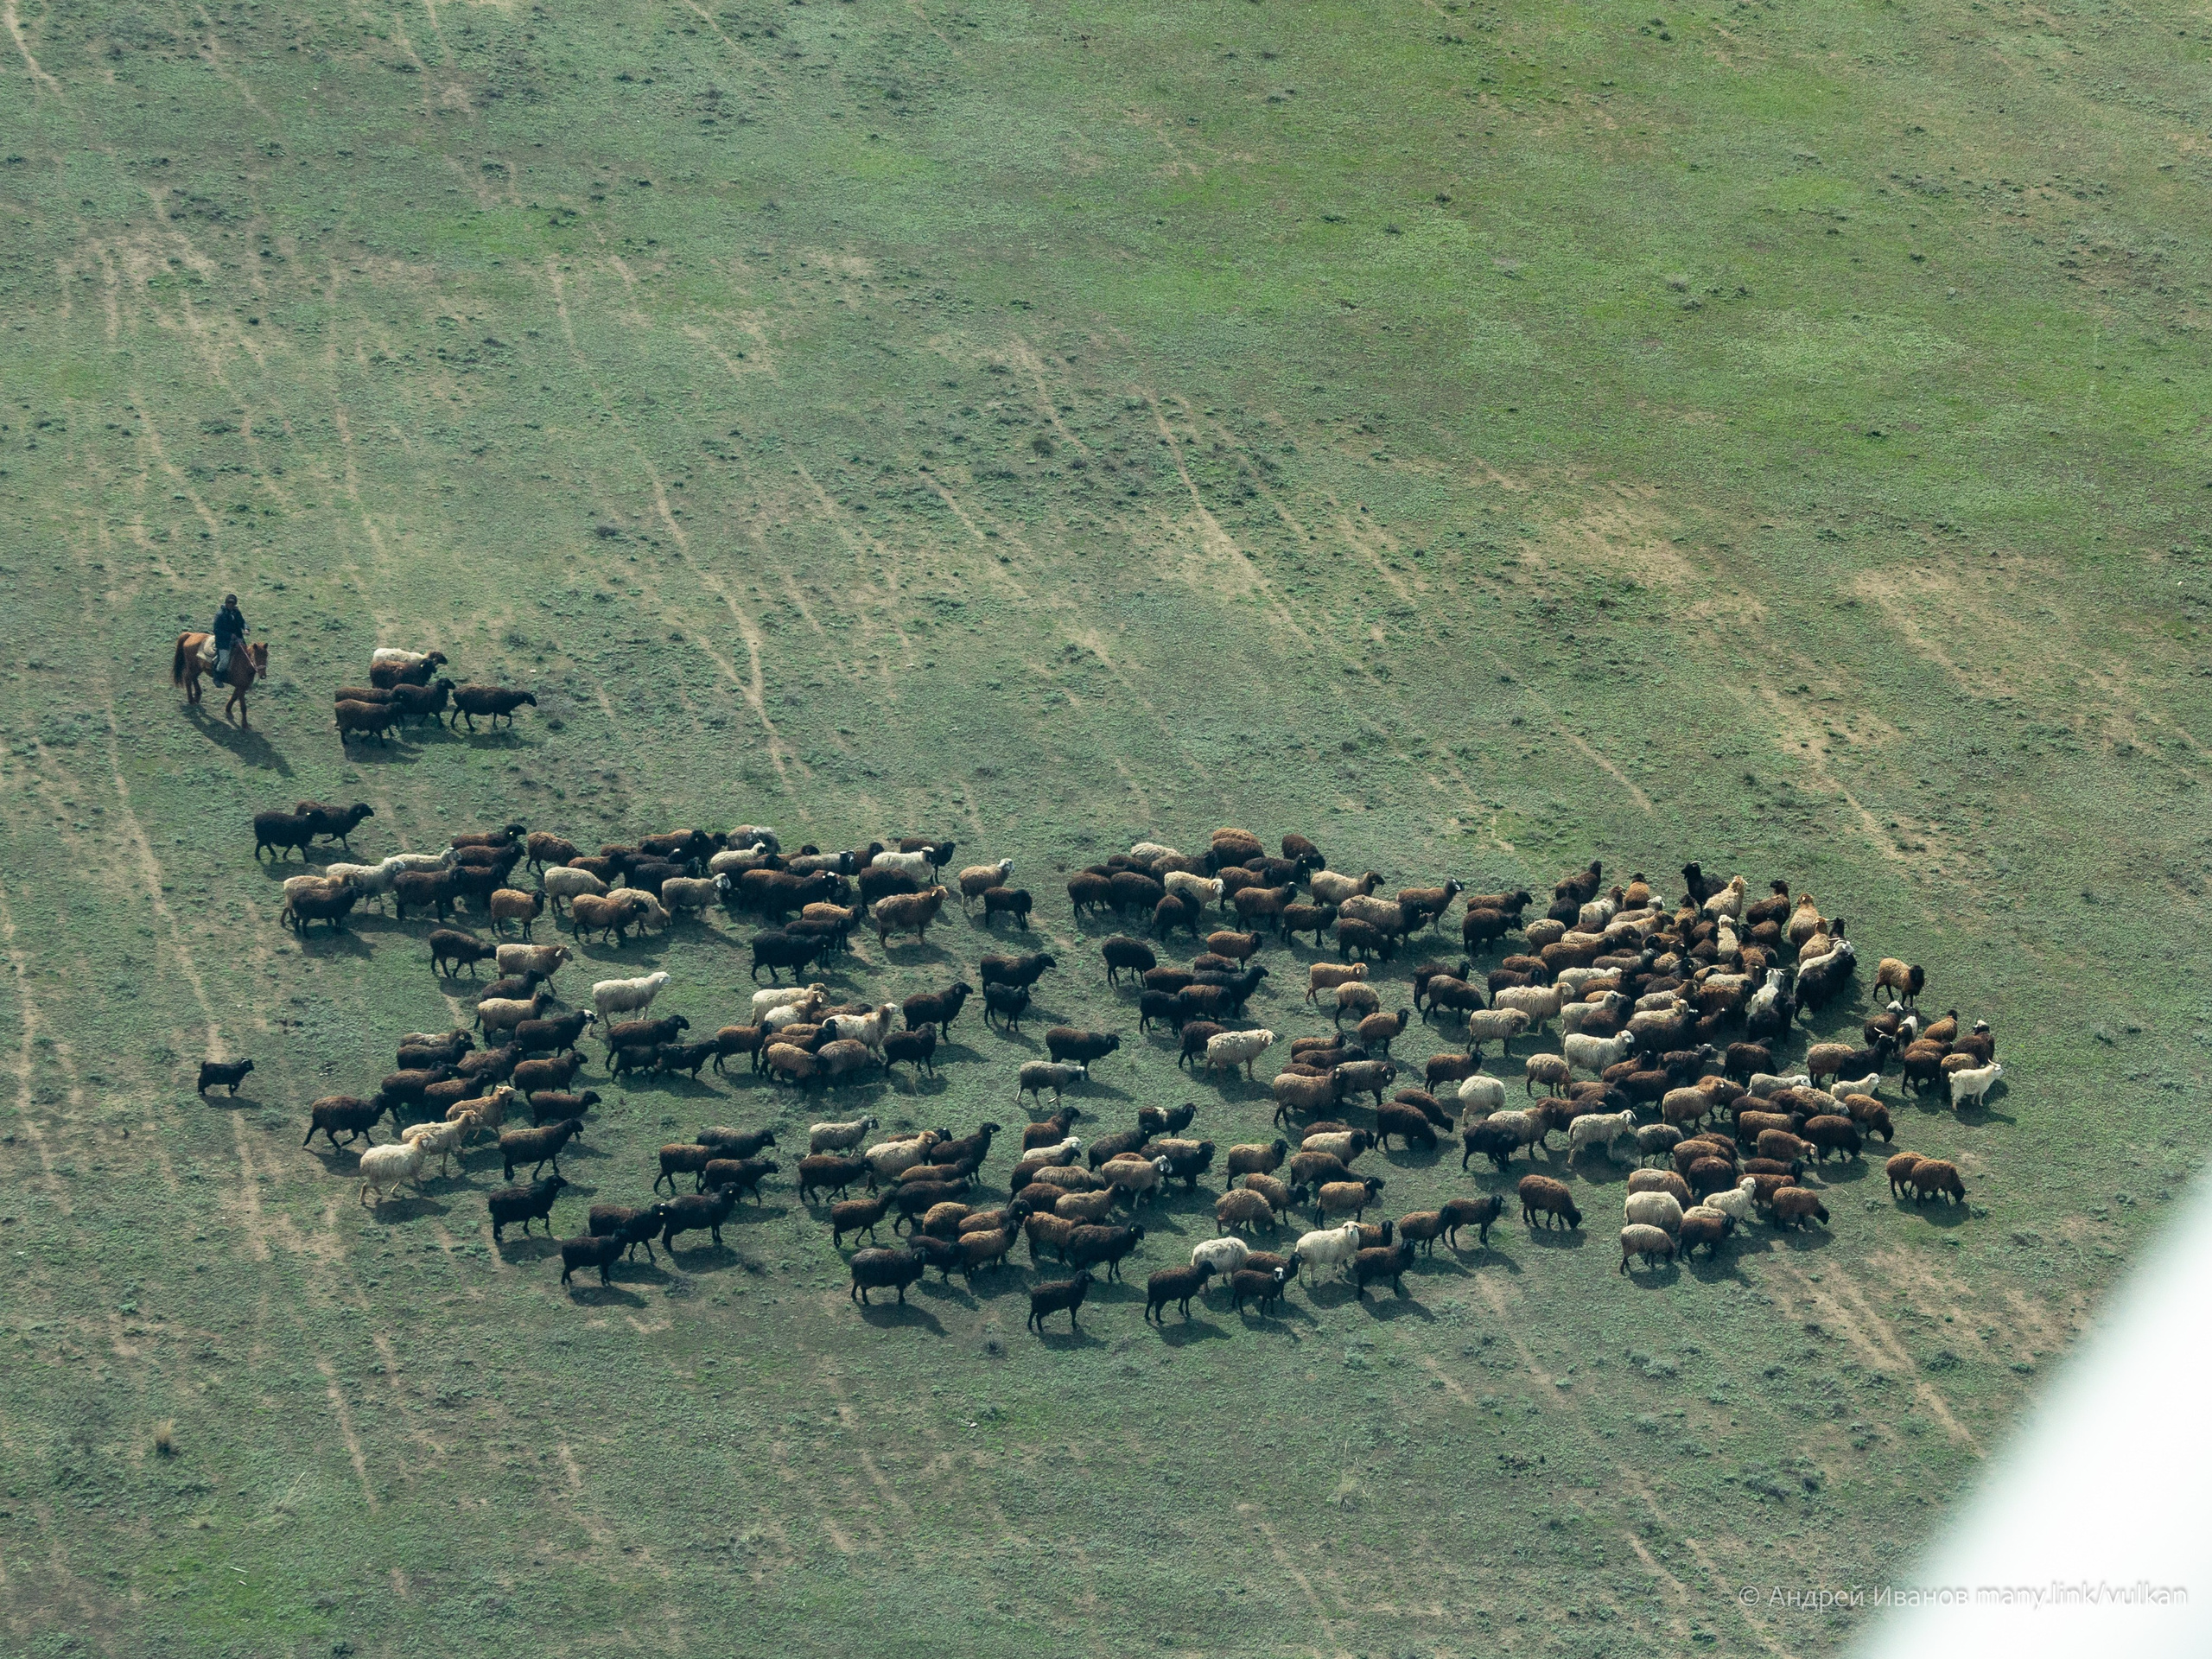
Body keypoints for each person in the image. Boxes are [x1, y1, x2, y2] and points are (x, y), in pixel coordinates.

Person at [211, 594, 247, 677]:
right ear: (226, 603)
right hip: (224, 642)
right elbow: (217, 630)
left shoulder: (236, 613)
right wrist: (230, 635)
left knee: (246, 656)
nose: (231, 604)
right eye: (229, 602)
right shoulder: (220, 615)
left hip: (238, 639)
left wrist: (246, 628)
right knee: (224, 661)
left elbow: (242, 622)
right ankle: (217, 676)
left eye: (233, 603)